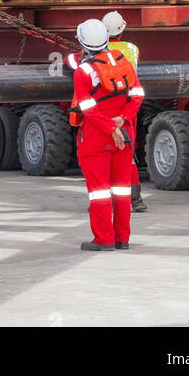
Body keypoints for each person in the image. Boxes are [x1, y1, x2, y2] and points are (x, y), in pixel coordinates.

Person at [69, 18, 144, 252]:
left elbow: (88, 108)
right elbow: (138, 94)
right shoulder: (124, 62)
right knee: (122, 188)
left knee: (99, 190)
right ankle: (122, 238)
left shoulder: (82, 72)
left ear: (83, 44)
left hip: (97, 136)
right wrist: (123, 120)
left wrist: (110, 129)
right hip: (125, 132)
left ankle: (104, 239)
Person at [103, 10, 147, 212]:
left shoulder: (95, 52)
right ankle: (136, 200)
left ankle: (106, 201)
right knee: (127, 152)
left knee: (104, 153)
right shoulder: (132, 48)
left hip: (104, 106)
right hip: (128, 107)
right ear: (122, 30)